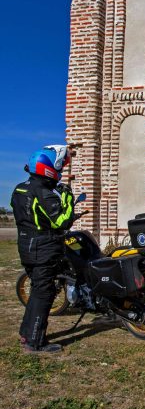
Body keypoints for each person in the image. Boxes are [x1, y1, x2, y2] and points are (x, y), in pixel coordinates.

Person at [10, 145, 75, 353]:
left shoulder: (20, 189)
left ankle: (26, 333)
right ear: (48, 168)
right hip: (44, 249)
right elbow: (62, 221)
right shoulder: (44, 193)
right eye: (59, 167)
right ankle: (35, 342)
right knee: (43, 294)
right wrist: (67, 197)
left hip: (26, 247)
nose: (60, 172)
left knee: (37, 291)